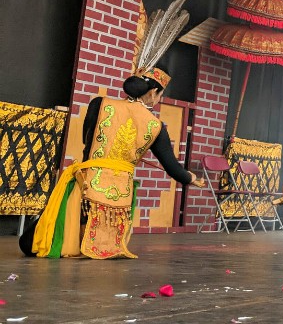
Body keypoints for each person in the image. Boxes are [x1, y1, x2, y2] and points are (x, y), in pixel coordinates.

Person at [21, 67, 206, 259]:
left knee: (29, 244)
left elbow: (87, 140)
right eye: (160, 95)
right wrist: (190, 177)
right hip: (119, 197)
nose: (158, 100)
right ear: (152, 93)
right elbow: (172, 168)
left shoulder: (100, 104)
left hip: (86, 187)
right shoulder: (155, 126)